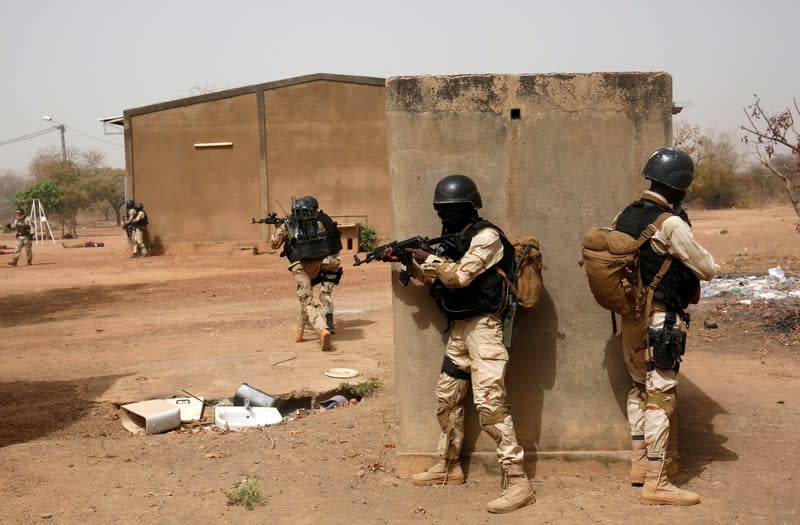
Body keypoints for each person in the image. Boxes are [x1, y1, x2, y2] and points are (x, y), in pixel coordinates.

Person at [383, 174, 535, 514]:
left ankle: (517, 480)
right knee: (446, 398)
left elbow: (458, 276)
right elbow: (435, 280)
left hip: (485, 330)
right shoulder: (455, 240)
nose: (444, 217)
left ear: (468, 207)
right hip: (460, 330)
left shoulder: (487, 238)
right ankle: (449, 466)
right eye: (440, 210)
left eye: (449, 210)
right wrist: (408, 261)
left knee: (490, 405)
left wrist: (427, 256)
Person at [613, 148, 716, 506]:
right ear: (681, 186)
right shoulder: (670, 223)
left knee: (639, 387)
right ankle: (657, 482)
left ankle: (639, 465)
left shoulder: (624, 215)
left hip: (630, 318)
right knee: (661, 395)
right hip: (661, 318)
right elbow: (706, 267)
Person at [270, 195, 342, 351]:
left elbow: (274, 244)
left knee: (307, 300)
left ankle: (322, 329)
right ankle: (300, 331)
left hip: (299, 266)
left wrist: (280, 227)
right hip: (320, 263)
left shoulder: (289, 223)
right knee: (311, 297)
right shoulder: (319, 221)